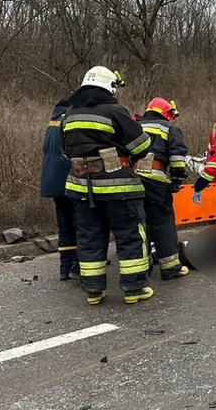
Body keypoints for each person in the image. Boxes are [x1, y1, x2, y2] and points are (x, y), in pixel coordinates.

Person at [61, 66, 154, 306]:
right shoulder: (114, 110)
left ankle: (94, 291)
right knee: (130, 235)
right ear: (109, 86)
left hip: (82, 188)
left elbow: (65, 151)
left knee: (90, 237)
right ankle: (134, 288)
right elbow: (141, 146)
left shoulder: (69, 113)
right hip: (119, 188)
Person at [135, 97, 189, 280]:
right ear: (166, 113)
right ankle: (170, 267)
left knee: (137, 225)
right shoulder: (170, 128)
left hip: (131, 180)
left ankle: (142, 267)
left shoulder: (132, 125)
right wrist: (176, 181)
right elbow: (177, 159)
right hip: (156, 182)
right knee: (162, 223)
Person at [40, 97, 79, 280]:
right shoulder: (70, 120)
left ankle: (65, 266)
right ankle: (79, 265)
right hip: (68, 179)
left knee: (65, 224)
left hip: (52, 180)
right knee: (81, 223)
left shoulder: (53, 121)